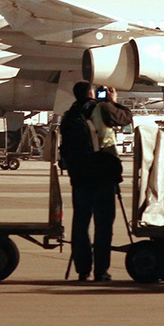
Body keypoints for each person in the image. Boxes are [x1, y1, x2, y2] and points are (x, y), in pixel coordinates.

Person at [58, 81, 124, 281]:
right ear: (91, 92)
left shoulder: (69, 115)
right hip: (102, 174)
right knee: (103, 225)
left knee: (80, 223)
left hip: (80, 177)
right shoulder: (101, 109)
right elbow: (124, 118)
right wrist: (114, 102)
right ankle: (101, 270)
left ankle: (83, 269)